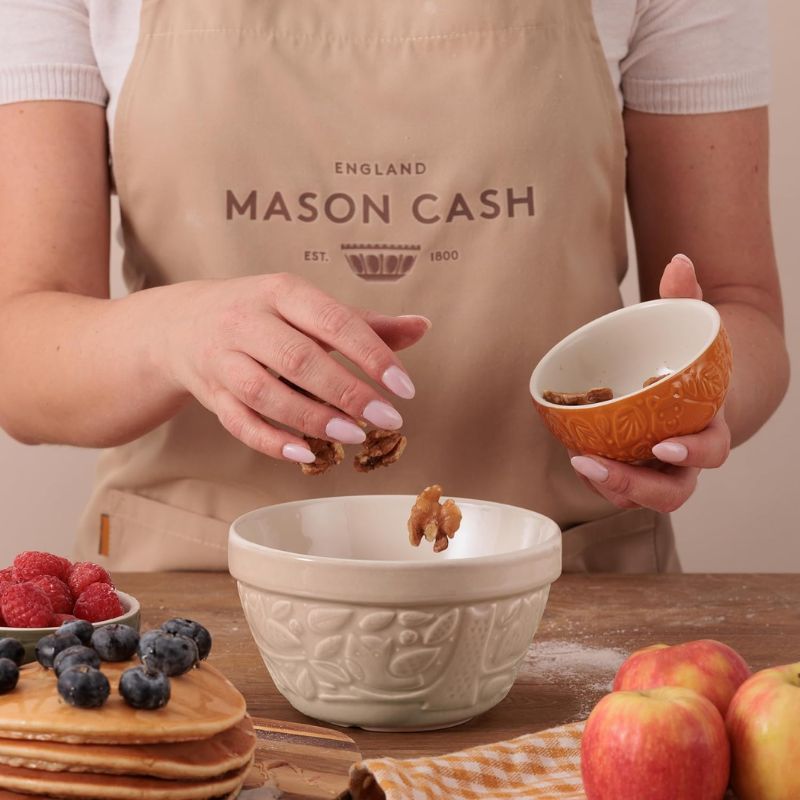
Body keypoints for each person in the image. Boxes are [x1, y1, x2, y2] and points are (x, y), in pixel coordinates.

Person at [0, 1, 789, 573]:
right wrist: (173, 334)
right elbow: (19, 350)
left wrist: (693, 399)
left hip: (561, 591)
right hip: (195, 609)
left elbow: (739, 305)